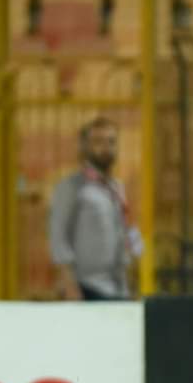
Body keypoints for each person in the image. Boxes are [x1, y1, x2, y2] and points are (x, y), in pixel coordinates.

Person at [48, 116, 141, 300]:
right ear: (85, 147)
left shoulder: (117, 188)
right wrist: (69, 285)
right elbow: (58, 237)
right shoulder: (71, 186)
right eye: (98, 141)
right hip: (87, 288)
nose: (106, 147)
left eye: (111, 141)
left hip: (118, 288)